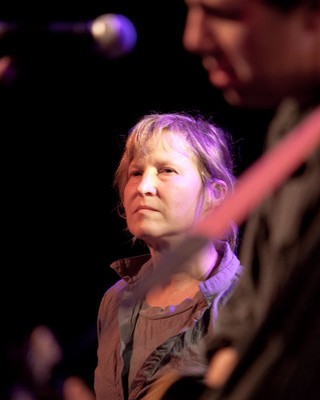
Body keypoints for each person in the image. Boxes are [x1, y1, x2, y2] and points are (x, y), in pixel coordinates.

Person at [157, 0, 320, 399]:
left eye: (223, 14)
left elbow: (300, 376)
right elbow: (248, 320)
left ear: (315, 9)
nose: (193, 38)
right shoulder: (306, 107)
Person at [93, 112, 244, 400]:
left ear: (216, 195)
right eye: (136, 173)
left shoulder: (246, 302)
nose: (143, 187)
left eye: (166, 171)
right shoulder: (114, 301)